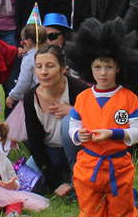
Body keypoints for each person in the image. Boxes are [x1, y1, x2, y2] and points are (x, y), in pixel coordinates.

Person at [65, 18, 138, 217]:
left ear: (118, 67)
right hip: (88, 166)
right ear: (89, 68)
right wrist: (78, 135)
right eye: (98, 67)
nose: (103, 73)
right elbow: (73, 125)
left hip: (117, 165)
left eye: (109, 67)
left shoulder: (128, 97)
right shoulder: (83, 97)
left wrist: (114, 134)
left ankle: (130, 199)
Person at [15, 42, 86, 200]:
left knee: (69, 121)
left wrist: (74, 111)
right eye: (39, 66)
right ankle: (60, 175)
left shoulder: (78, 90)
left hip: (81, 150)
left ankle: (79, 179)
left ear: (63, 68)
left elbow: (98, 122)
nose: (44, 72)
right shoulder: (31, 97)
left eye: (50, 66)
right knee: (27, 184)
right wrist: (56, 184)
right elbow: (35, 143)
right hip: (51, 150)